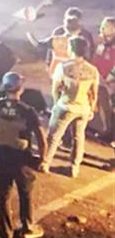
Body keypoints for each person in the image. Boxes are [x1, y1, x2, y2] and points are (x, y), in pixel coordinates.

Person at [0, 72, 47, 238]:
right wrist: (43, 158)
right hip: (21, 158)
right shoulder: (28, 111)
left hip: (0, 155)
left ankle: (5, 234)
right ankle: (27, 228)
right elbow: (41, 137)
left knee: (4, 194)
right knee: (25, 192)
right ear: (20, 89)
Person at [40, 37, 99, 177]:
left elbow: (55, 88)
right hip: (83, 108)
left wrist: (56, 104)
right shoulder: (93, 70)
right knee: (79, 138)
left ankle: (45, 163)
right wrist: (91, 109)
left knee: (54, 136)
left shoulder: (63, 67)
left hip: (66, 106)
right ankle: (74, 168)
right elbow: (94, 94)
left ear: (71, 49)